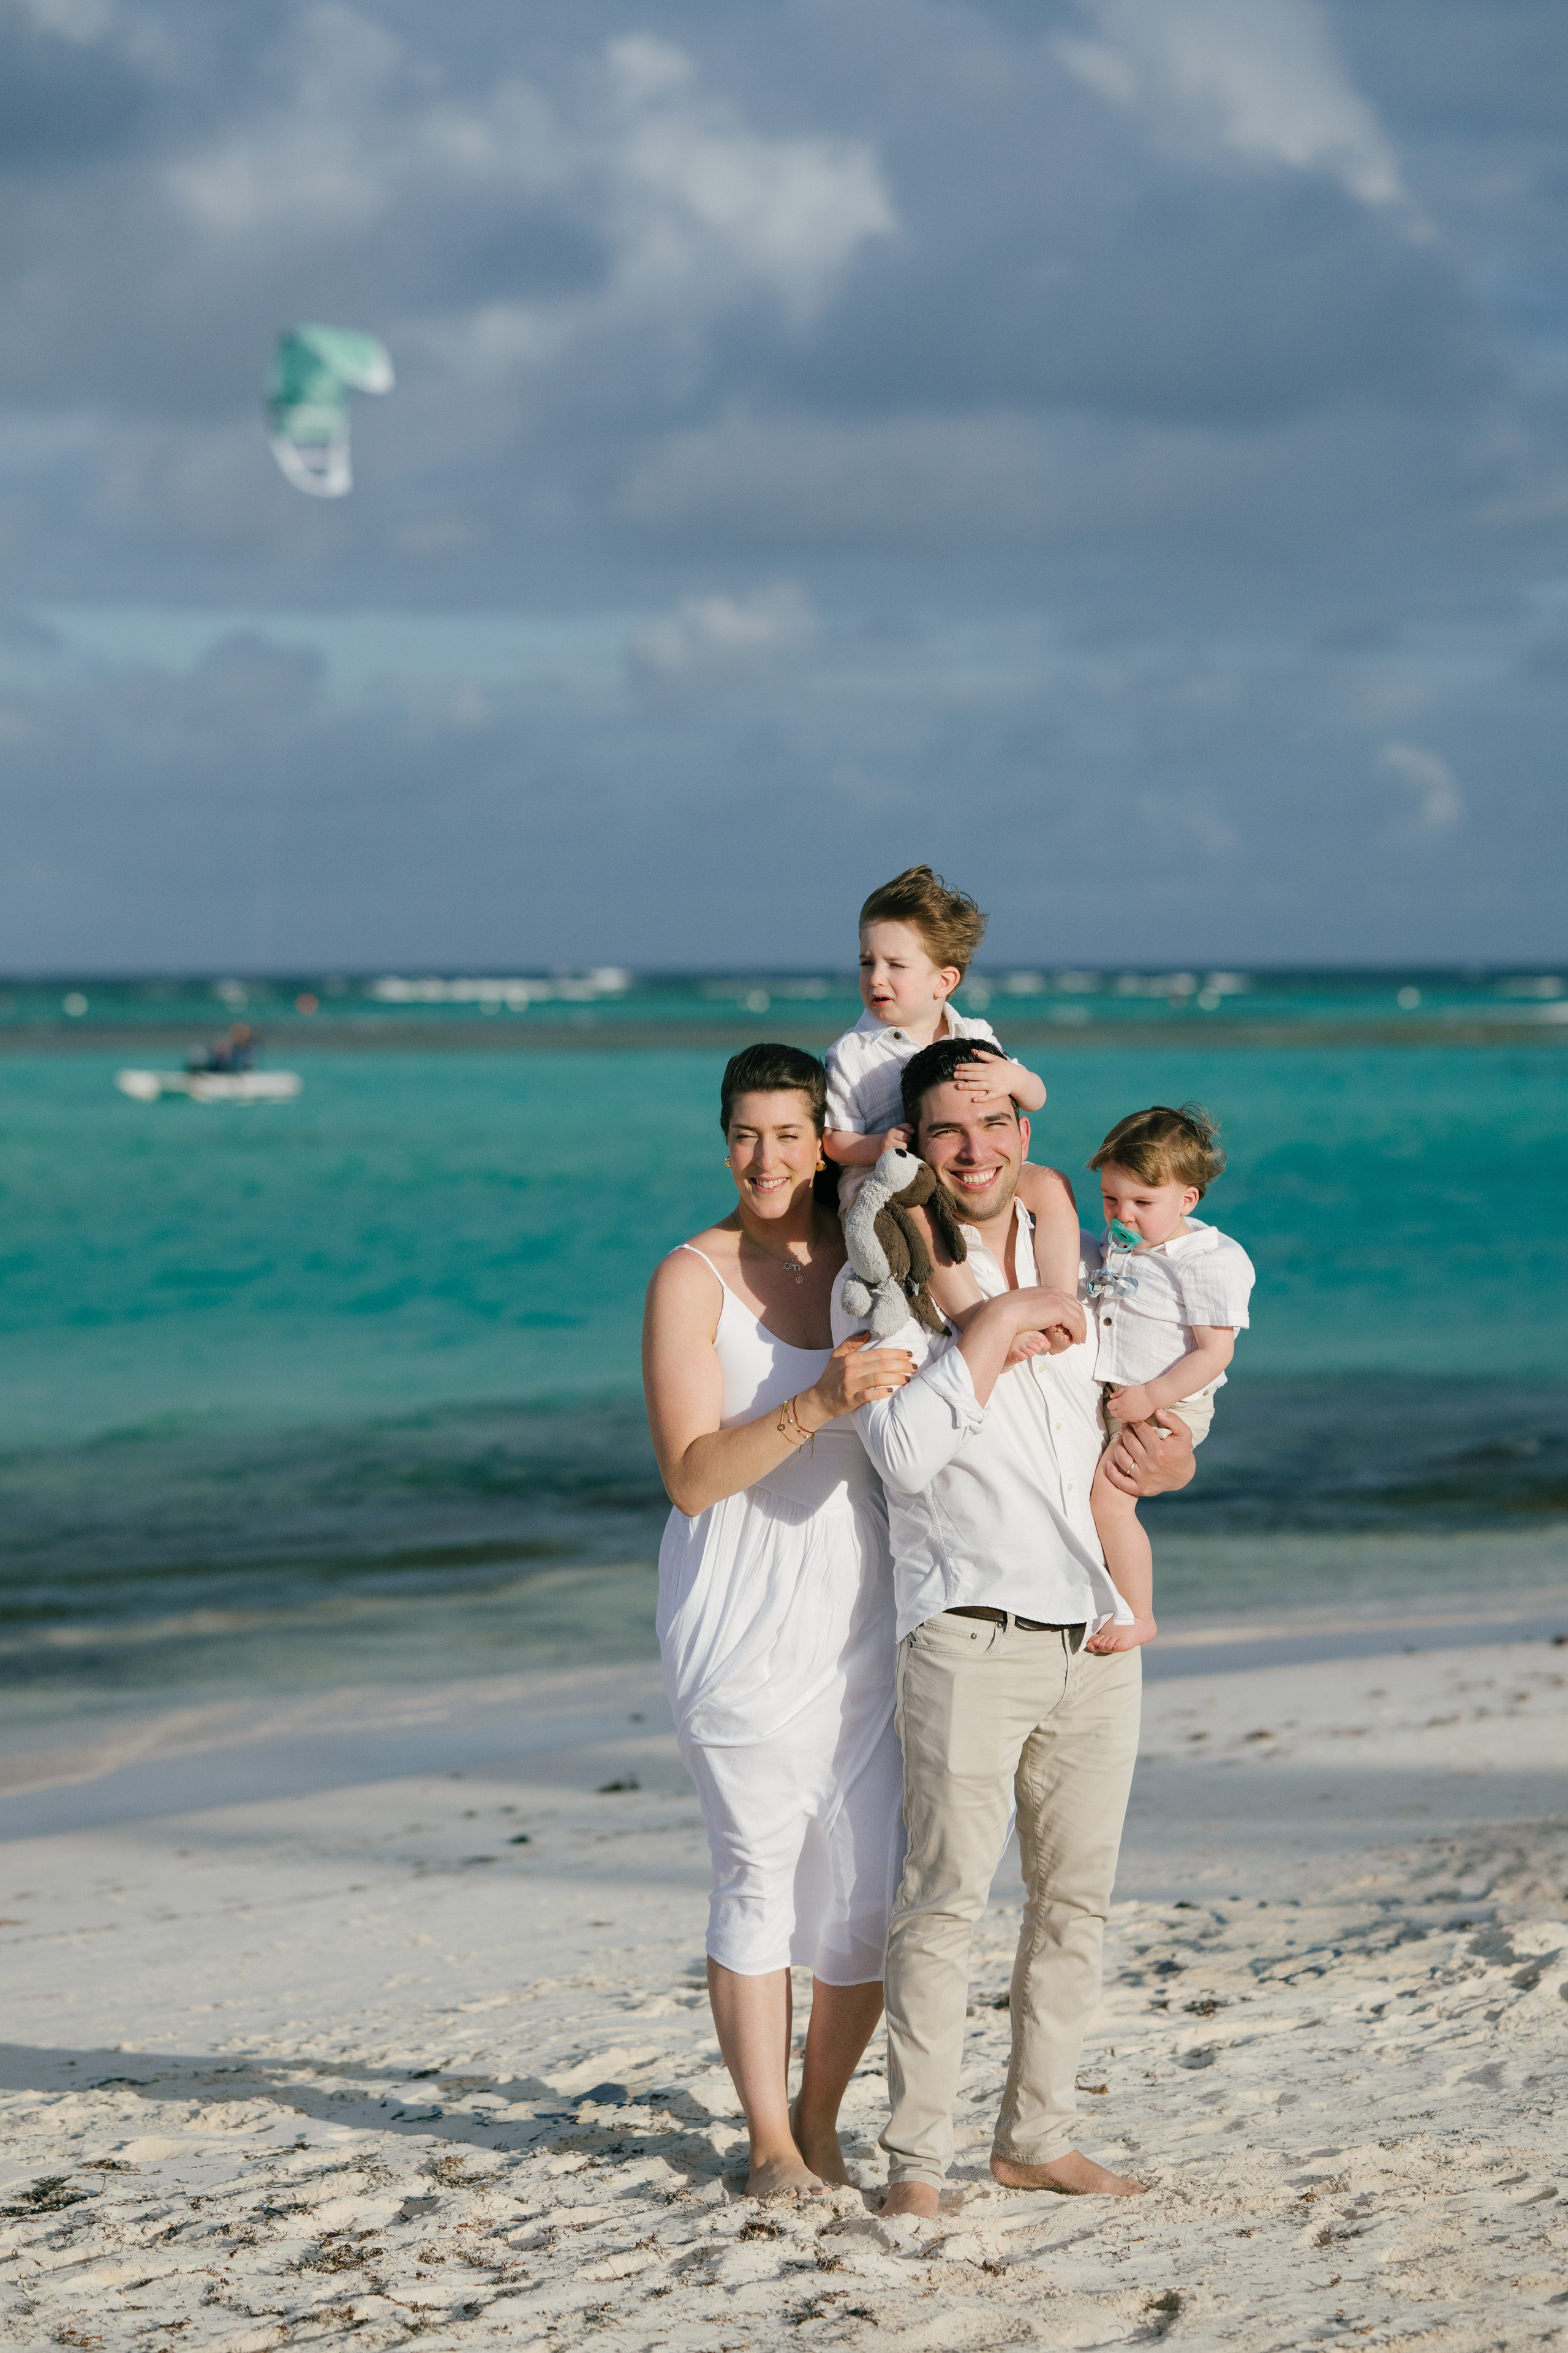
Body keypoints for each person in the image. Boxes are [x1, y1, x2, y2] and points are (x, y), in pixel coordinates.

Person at [831, 1035, 1197, 2215]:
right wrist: (989, 1334)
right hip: (967, 1633)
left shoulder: (1085, 1263)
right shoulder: (879, 1284)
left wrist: (1173, 1458)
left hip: (1092, 1630)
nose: (974, 1149)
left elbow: (1127, 1419)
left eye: (993, 1126)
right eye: (949, 1130)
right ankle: (917, 2165)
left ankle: (1035, 2136)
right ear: (917, 1144)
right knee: (942, 1902)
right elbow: (901, 1452)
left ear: (1023, 1135)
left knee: (1074, 1903)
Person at [642, 1043, 916, 2197]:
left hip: (870, 1612)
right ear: (726, 1142)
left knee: (863, 1894)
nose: (768, 1157)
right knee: (757, 1875)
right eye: (749, 1135)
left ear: (827, 1142)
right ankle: (765, 2143)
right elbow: (694, 1477)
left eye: (791, 1134)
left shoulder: (878, 1259)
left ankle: (821, 2123)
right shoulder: (690, 1277)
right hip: (739, 1614)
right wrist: (817, 1400)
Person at [821, 866, 1081, 1299]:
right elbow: (833, 1141)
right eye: (867, 963)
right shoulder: (853, 1052)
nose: (876, 978)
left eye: (895, 965)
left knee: (1054, 1186)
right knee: (921, 1214)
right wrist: (879, 1146)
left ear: (944, 980)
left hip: (966, 1170)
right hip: (889, 1184)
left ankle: (1061, 1298)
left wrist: (1013, 1077)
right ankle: (974, 1316)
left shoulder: (974, 1034)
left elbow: (1035, 1098)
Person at [1082, 1106, 1256, 1656]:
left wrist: (1151, 1398)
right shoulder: (1128, 1244)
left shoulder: (1207, 1261)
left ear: (1188, 1200)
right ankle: (1104, 1596)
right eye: (1111, 1199)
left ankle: (1139, 1616)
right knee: (1091, 1500)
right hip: (1127, 1398)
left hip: (1168, 1407)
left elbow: (1214, 1352)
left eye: (1142, 1203)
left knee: (1111, 1502)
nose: (1123, 1216)